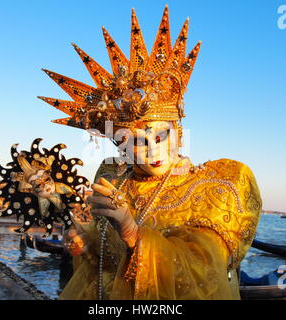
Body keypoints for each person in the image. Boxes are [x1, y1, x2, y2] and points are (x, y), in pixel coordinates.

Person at [39, 6, 262, 300]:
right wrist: (86, 241)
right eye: (134, 143)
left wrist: (135, 235)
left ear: (178, 129)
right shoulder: (113, 177)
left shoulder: (217, 187)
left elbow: (205, 269)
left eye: (160, 135)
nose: (152, 149)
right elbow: (104, 256)